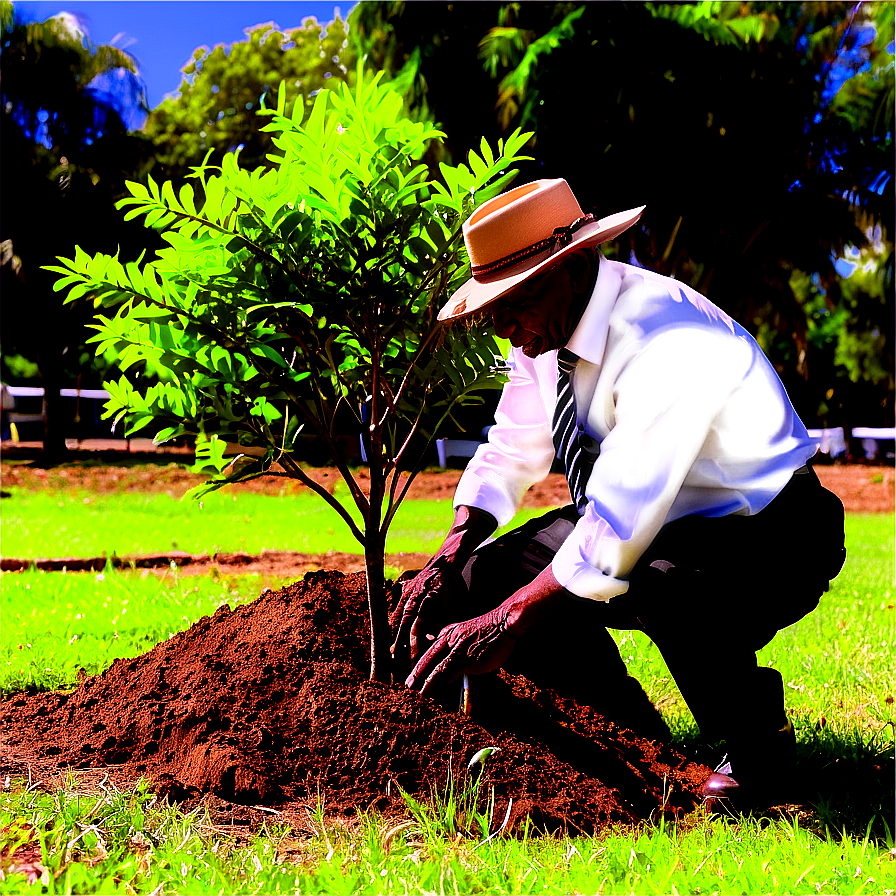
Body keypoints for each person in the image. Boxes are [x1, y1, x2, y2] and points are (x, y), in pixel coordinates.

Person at [391, 178, 846, 808]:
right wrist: (448, 555)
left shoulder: (667, 336)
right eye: (492, 308)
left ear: (574, 268)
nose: (502, 325)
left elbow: (619, 524)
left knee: (660, 579)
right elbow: (514, 446)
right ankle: (628, 733)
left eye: (512, 302)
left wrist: (508, 621)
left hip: (771, 532)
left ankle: (754, 739)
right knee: (481, 576)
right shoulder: (543, 329)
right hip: (651, 522)